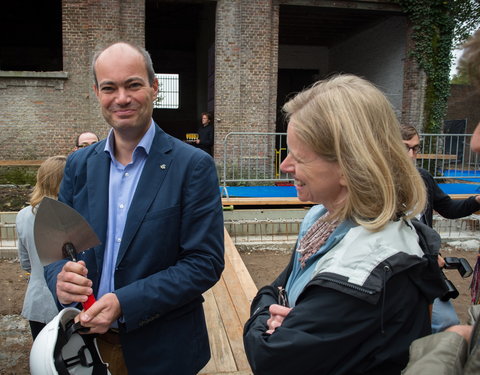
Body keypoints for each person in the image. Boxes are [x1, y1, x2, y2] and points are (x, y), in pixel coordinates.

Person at [243, 74, 446, 375]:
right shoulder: (321, 218)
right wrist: (277, 304)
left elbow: (271, 357)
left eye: (298, 157)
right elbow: (283, 286)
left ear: (349, 168)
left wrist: (262, 310)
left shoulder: (369, 264)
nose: (285, 166)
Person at [43, 42, 224, 374]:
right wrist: (60, 279)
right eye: (109, 87)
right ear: (97, 92)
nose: (121, 98)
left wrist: (126, 302)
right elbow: (58, 249)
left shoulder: (193, 166)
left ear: (154, 88)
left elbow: (205, 263)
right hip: (86, 348)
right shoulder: (78, 166)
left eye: (133, 84)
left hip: (164, 351)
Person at [400, 124, 480, 333]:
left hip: (426, 267)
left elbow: (449, 209)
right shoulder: (376, 183)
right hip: (395, 270)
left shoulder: (423, 178)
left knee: (446, 324)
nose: (411, 155)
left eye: (415, 148)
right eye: (404, 147)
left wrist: (477, 200)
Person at [15, 155, 66, 339]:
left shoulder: (23, 215)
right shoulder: (70, 216)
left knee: (42, 360)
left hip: (37, 300)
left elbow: (25, 262)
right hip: (66, 304)